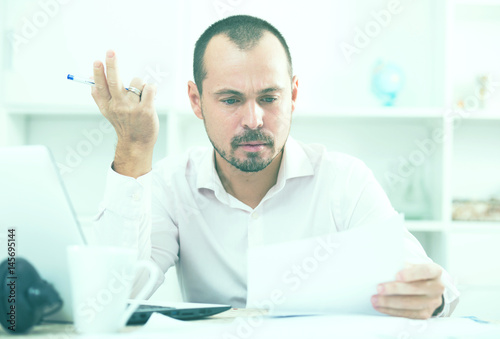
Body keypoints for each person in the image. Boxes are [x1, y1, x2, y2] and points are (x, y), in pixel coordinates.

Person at [90, 15, 459, 319]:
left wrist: (432, 298)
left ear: (293, 95)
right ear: (196, 101)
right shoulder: (174, 185)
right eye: (231, 99)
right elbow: (114, 295)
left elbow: (433, 291)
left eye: (269, 98)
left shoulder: (344, 181)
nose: (253, 119)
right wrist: (133, 147)